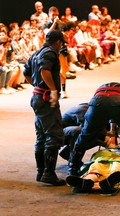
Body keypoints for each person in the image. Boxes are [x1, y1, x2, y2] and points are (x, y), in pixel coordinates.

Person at [23, 30, 67, 186]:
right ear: (57, 42)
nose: (61, 47)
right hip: (46, 98)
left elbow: (26, 73)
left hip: (37, 97)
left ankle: (40, 172)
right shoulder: (50, 53)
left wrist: (37, 86)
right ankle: (48, 174)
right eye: (61, 44)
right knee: (54, 135)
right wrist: (53, 90)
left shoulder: (37, 52)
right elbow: (45, 70)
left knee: (41, 136)